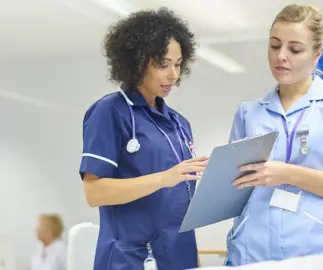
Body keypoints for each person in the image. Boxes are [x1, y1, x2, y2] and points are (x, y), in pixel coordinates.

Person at [224, 4, 323, 266]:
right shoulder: (249, 113)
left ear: (317, 53)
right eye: (274, 45)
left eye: (294, 49)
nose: (281, 56)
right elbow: (233, 189)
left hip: (315, 254)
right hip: (250, 254)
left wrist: (287, 174)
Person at [79, 7, 208, 270]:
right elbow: (94, 192)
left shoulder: (179, 124)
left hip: (178, 256)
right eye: (163, 64)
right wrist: (164, 178)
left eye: (178, 64)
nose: (173, 75)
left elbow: (178, 202)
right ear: (138, 62)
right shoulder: (110, 112)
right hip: (131, 259)